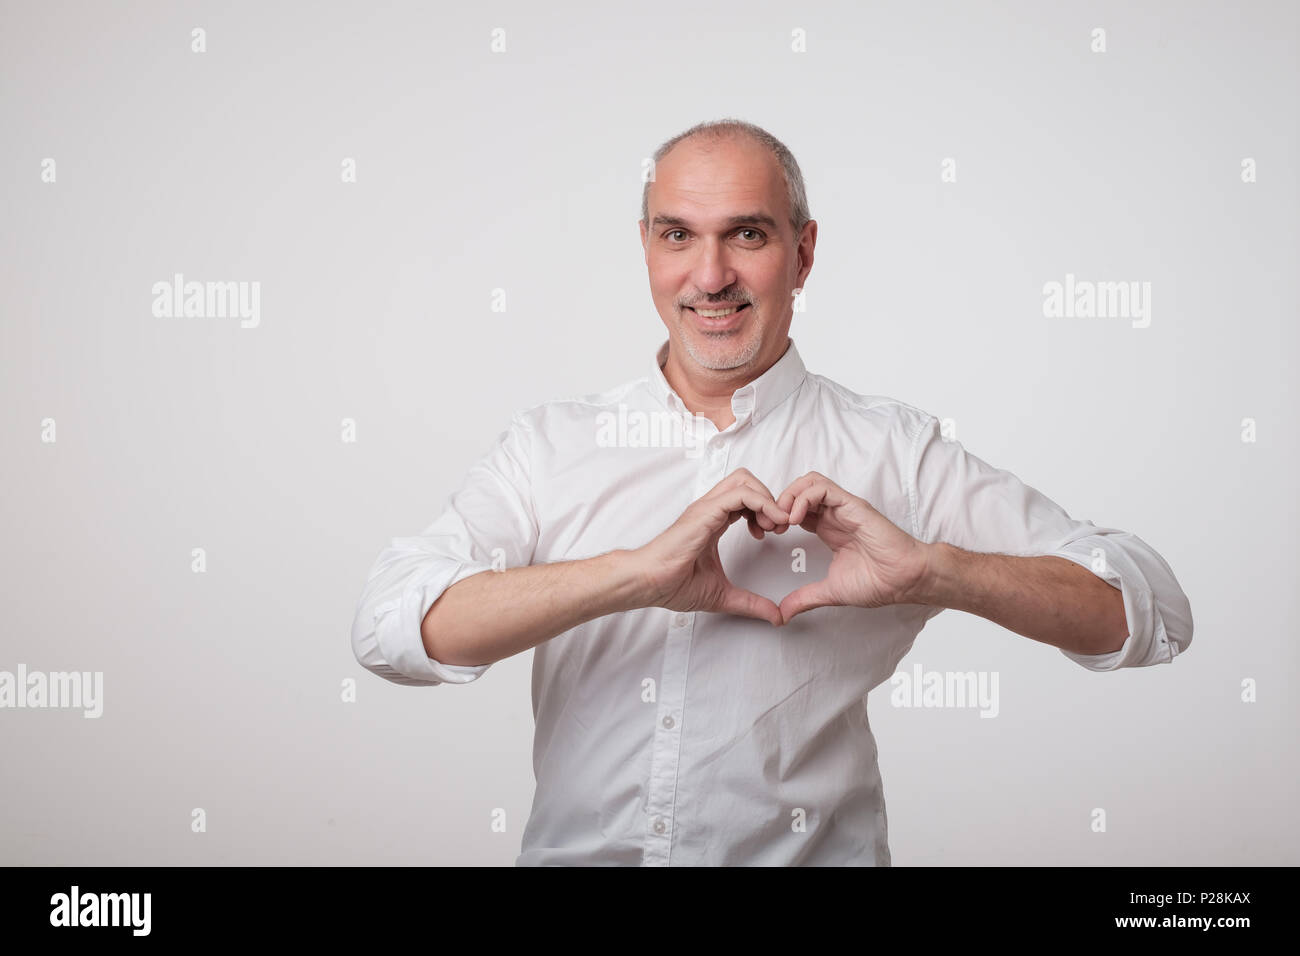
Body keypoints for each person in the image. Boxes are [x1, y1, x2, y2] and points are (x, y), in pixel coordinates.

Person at [350, 118, 1193, 866]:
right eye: (678, 235)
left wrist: (938, 574)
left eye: (746, 234)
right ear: (645, 246)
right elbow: (391, 630)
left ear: (805, 252)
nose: (710, 275)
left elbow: (1147, 609)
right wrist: (634, 575)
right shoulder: (549, 445)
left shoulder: (894, 452)